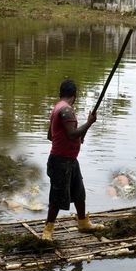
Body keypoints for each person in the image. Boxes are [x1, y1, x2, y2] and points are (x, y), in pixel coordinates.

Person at [42, 79, 104, 240]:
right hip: (60, 161)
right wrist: (89, 123)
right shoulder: (67, 111)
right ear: (74, 95)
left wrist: (77, 137)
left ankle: (83, 222)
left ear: (60, 94)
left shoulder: (57, 107)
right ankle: (48, 230)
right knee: (56, 197)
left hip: (69, 160)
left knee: (79, 192)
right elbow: (71, 134)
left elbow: (51, 136)